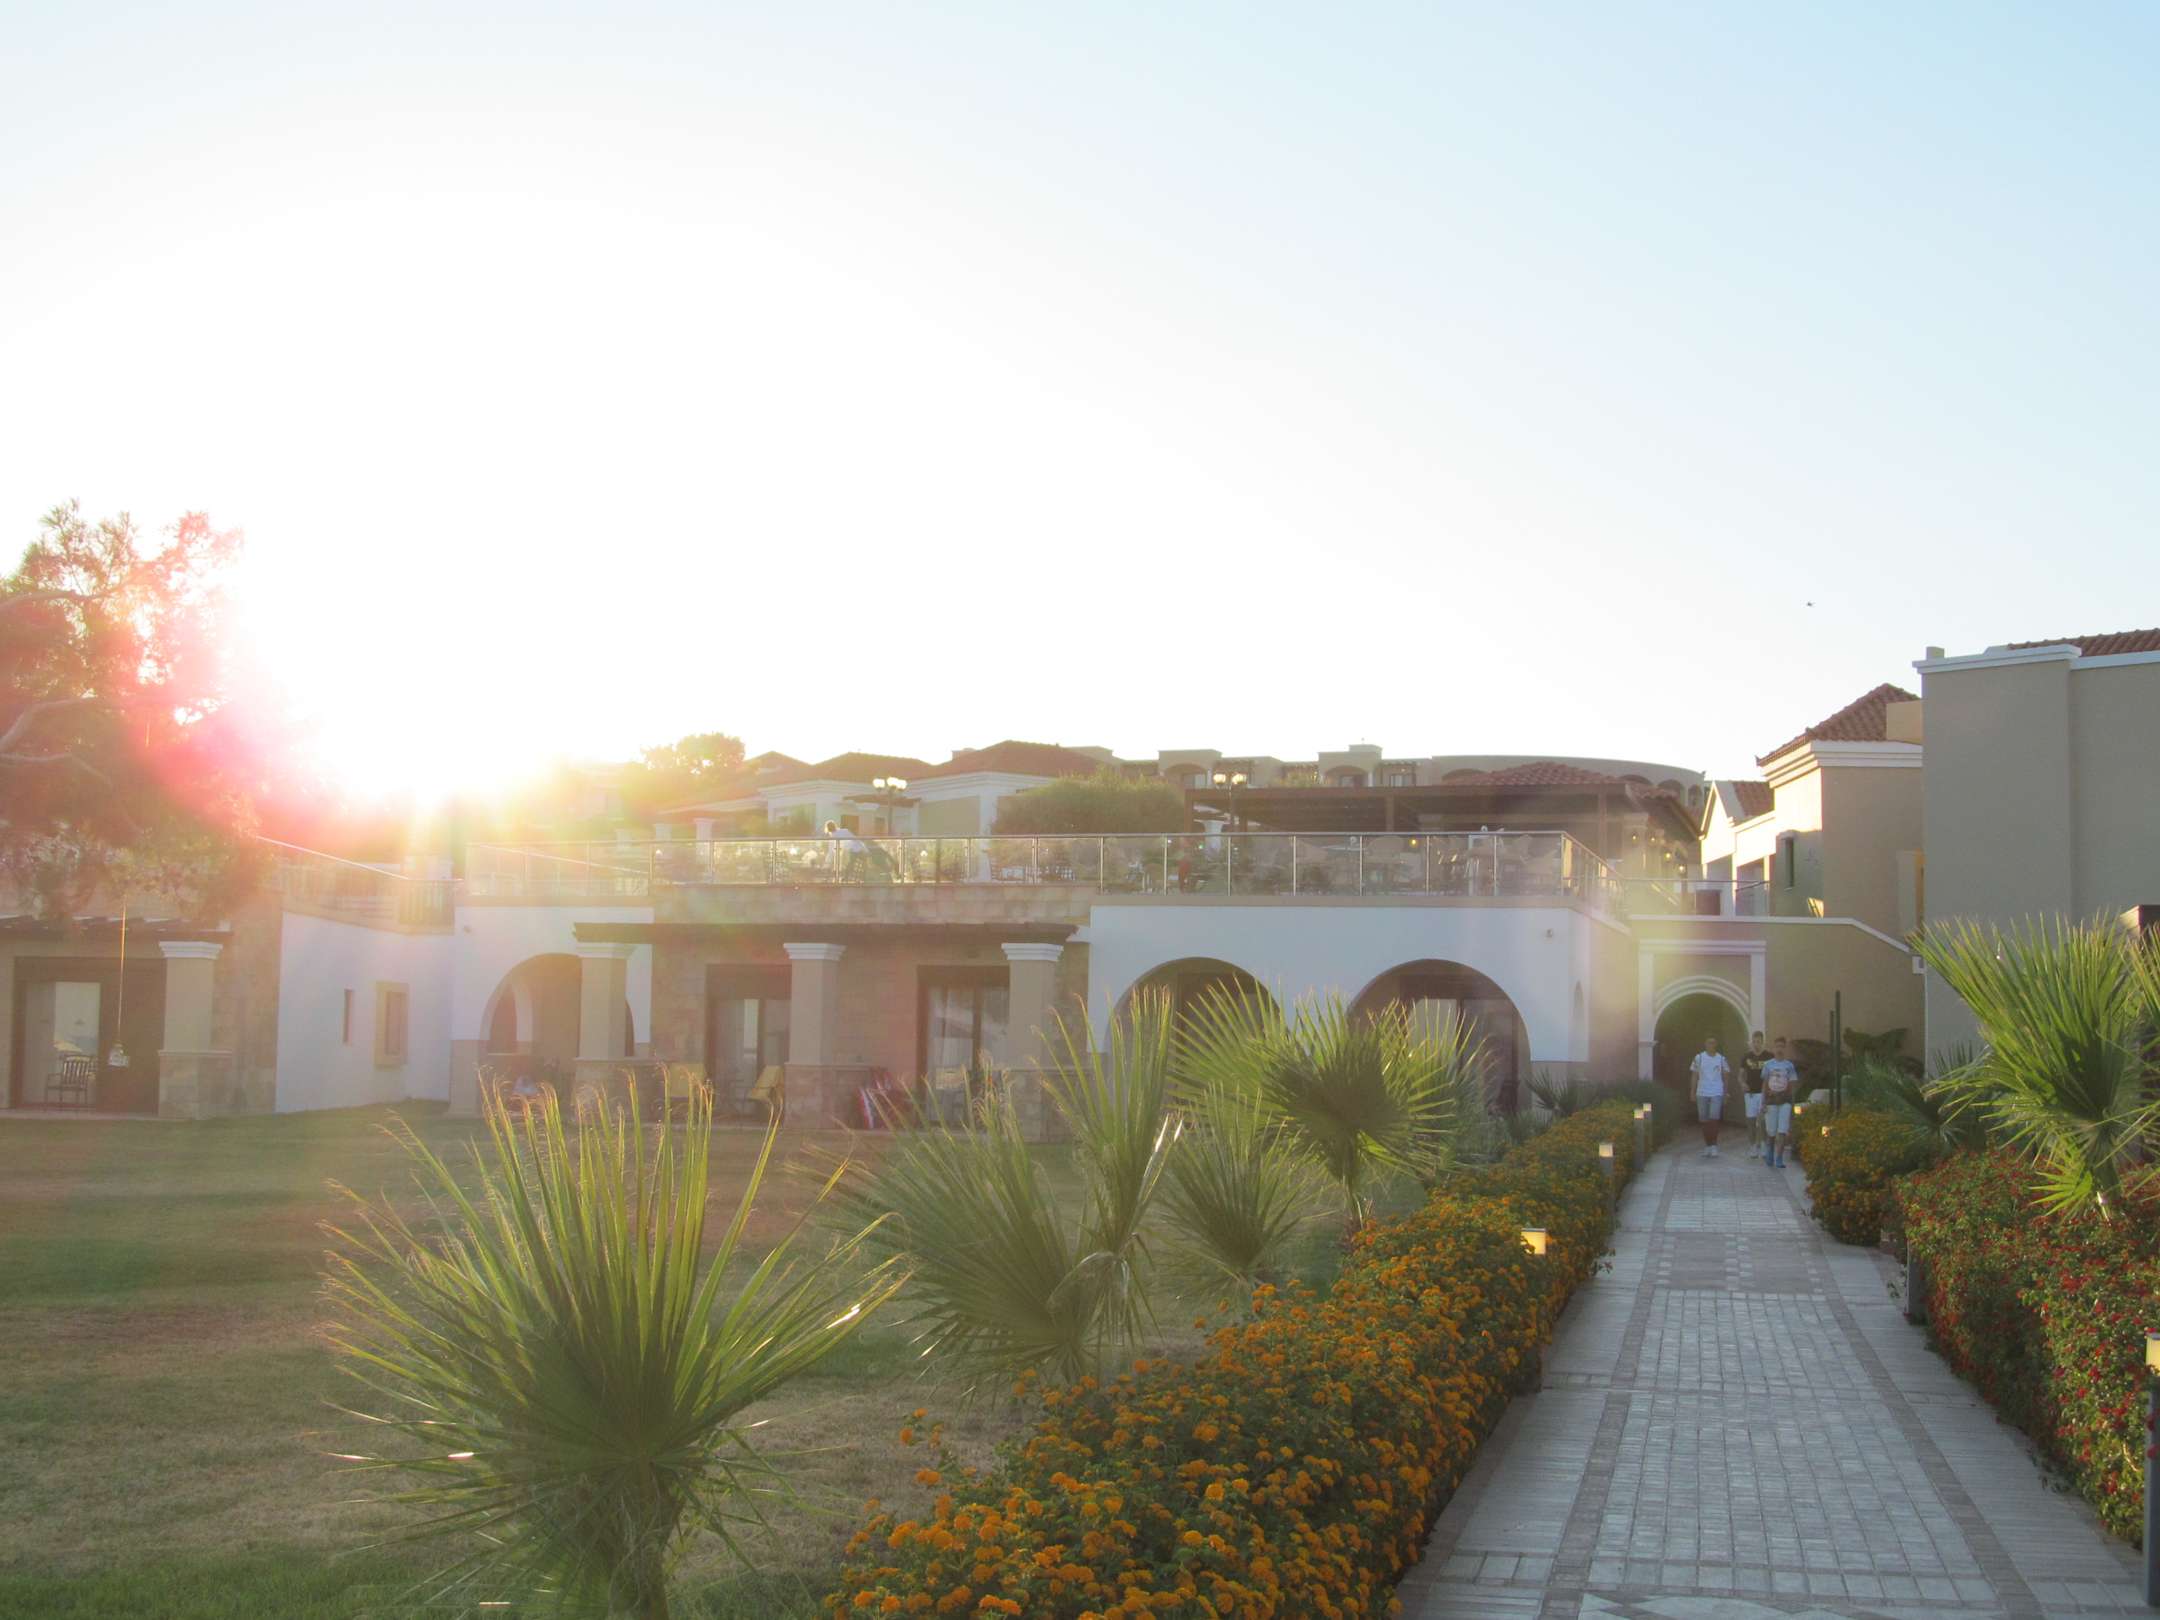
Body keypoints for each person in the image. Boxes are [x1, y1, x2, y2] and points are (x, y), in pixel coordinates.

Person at [1760, 1037, 1799, 1168]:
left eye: (1782, 1046)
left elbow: (1792, 1085)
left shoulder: (1789, 1066)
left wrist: (1792, 1102)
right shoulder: (1768, 1065)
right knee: (1771, 1132)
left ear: (1784, 1048)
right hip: (1771, 1101)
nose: (1779, 1049)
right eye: (1777, 1046)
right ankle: (1770, 1155)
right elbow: (1764, 1085)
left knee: (1782, 1130)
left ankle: (1779, 1158)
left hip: (1784, 1102)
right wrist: (1763, 1102)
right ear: (1774, 1048)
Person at [1689, 1034, 1730, 1157]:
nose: (1711, 1045)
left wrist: (1725, 1093)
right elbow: (1694, 1075)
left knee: (1714, 1119)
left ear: (1716, 1044)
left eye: (1713, 1043)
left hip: (1716, 1092)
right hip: (1702, 1092)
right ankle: (1707, 1145)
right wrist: (1692, 1091)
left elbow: (1726, 1077)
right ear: (1705, 1044)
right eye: (1709, 1043)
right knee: (1704, 1120)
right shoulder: (1699, 1058)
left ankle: (1714, 1145)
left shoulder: (1721, 1059)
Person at [1741, 1031, 1772, 1159]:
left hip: (1764, 1094)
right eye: (1754, 1042)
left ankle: (1764, 1145)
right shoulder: (1746, 1057)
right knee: (1751, 1121)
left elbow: (1774, 1074)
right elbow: (1740, 1075)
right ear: (1751, 1042)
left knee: (1763, 1121)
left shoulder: (1769, 1056)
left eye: (1758, 1042)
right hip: (1750, 1094)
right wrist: (1742, 1083)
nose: (1756, 1044)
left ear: (1762, 1042)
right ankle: (1753, 1146)